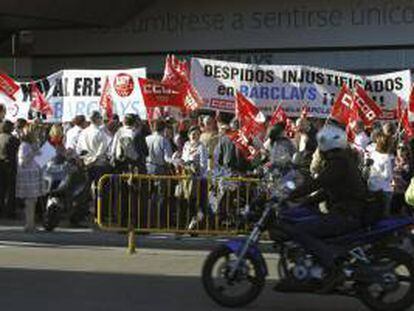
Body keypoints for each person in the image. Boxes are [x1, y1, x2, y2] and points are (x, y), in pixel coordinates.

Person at [280, 124, 368, 281]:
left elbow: (319, 183)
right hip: (348, 212)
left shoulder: (338, 163)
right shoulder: (343, 160)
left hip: (346, 215)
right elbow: (327, 190)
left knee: (300, 229)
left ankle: (331, 263)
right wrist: (306, 202)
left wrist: (291, 194)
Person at [16, 124, 43, 232]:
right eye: (36, 132)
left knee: (33, 200)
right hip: (27, 175)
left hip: (34, 174)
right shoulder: (24, 146)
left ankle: (31, 224)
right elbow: (22, 162)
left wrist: (40, 153)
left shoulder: (32, 144)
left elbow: (37, 159)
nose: (37, 134)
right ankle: (29, 224)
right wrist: (34, 153)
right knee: (30, 201)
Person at [76, 111, 110, 183]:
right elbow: (102, 150)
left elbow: (79, 150)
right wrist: (93, 160)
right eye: (100, 118)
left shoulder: (83, 132)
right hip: (99, 165)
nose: (101, 119)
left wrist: (86, 160)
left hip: (86, 164)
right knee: (101, 189)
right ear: (96, 119)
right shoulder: (100, 133)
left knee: (88, 188)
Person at [367, 133, 394, 216]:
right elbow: (387, 176)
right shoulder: (387, 158)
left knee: (373, 211)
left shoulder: (373, 154)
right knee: (385, 213)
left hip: (372, 186)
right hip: (384, 189)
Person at [0, 121, 20, 218]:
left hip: (1, 165)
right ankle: (10, 212)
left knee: (1, 189)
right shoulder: (12, 139)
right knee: (11, 190)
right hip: (9, 166)